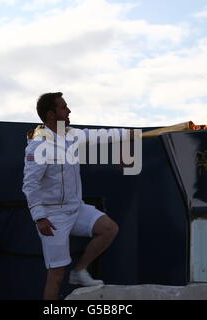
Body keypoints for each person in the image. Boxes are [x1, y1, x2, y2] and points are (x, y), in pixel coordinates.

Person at [23, 92, 131, 300]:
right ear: (51, 114)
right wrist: (40, 217)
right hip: (53, 216)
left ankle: (80, 271)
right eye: (64, 107)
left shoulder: (71, 135)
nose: (69, 110)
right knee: (56, 274)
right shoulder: (39, 145)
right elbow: (30, 184)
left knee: (109, 228)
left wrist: (129, 134)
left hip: (75, 208)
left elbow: (102, 135)